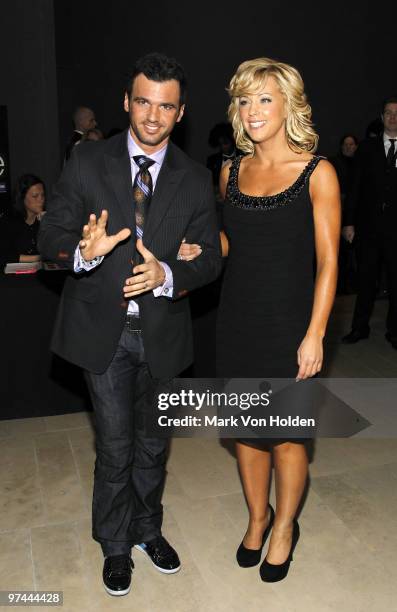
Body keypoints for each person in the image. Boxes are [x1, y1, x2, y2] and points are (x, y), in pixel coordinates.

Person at [38, 52, 222, 597]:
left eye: (166, 106)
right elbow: (49, 236)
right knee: (116, 446)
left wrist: (170, 271)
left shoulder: (194, 178)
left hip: (164, 333)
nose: (152, 115)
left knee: (153, 447)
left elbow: (210, 258)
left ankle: (147, 528)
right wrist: (83, 251)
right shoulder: (87, 162)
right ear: (127, 101)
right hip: (105, 334)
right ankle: (116, 544)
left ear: (180, 112)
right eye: (143, 101)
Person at [182, 57, 340, 582]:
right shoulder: (230, 169)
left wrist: (315, 333)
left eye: (265, 99)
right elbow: (235, 241)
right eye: (245, 100)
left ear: (290, 105)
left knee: (288, 437)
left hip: (292, 323)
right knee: (247, 433)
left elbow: (328, 261)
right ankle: (257, 517)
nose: (253, 111)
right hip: (239, 318)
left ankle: (286, 527)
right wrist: (202, 248)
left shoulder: (318, 172)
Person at [342, 97, 397, 349]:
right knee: (366, 279)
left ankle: (394, 331)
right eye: (388, 113)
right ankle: (359, 327)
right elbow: (355, 188)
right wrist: (349, 223)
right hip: (369, 227)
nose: (393, 118)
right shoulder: (366, 148)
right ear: (381, 116)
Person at [330, 134, 359, 294]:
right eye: (345, 144)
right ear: (341, 147)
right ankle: (339, 286)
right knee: (339, 253)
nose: (348, 147)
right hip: (337, 213)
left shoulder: (361, 163)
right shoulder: (333, 163)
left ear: (356, 146)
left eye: (351, 144)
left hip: (356, 214)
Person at [0, 173, 45, 268]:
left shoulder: (45, 220)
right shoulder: (8, 221)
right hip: (15, 277)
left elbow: (60, 252)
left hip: (40, 274)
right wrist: (38, 258)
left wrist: (47, 225)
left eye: (42, 195)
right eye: (35, 196)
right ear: (22, 198)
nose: (41, 199)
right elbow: (4, 255)